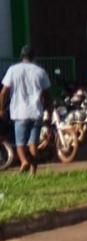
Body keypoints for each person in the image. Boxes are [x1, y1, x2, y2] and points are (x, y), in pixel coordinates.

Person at [0, 45, 51, 176]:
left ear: (21, 56)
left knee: (20, 144)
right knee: (33, 144)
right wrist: (49, 112)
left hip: (19, 113)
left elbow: (4, 92)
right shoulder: (40, 71)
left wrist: (1, 108)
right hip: (36, 112)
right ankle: (33, 173)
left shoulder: (13, 70)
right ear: (34, 57)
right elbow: (47, 95)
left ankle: (24, 161)